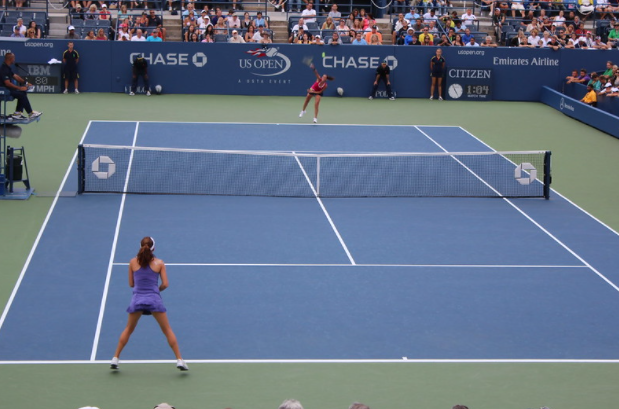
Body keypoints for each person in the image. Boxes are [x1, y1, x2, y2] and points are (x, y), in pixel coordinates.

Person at [110, 237, 188, 371]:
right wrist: (155, 290)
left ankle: (115, 358)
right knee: (167, 330)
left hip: (137, 300)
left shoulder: (132, 262)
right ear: (154, 248)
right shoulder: (160, 263)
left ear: (140, 246)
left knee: (128, 329)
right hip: (154, 300)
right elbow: (165, 284)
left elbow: (131, 284)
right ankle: (179, 360)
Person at [0, 53, 42, 120]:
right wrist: (19, 88)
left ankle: (18, 113)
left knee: (22, 93)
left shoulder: (7, 67)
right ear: (11, 59)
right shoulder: (4, 69)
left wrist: (26, 83)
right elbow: (7, 83)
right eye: (14, 58)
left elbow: (15, 76)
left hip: (8, 90)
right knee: (21, 94)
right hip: (4, 91)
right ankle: (29, 113)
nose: (14, 59)